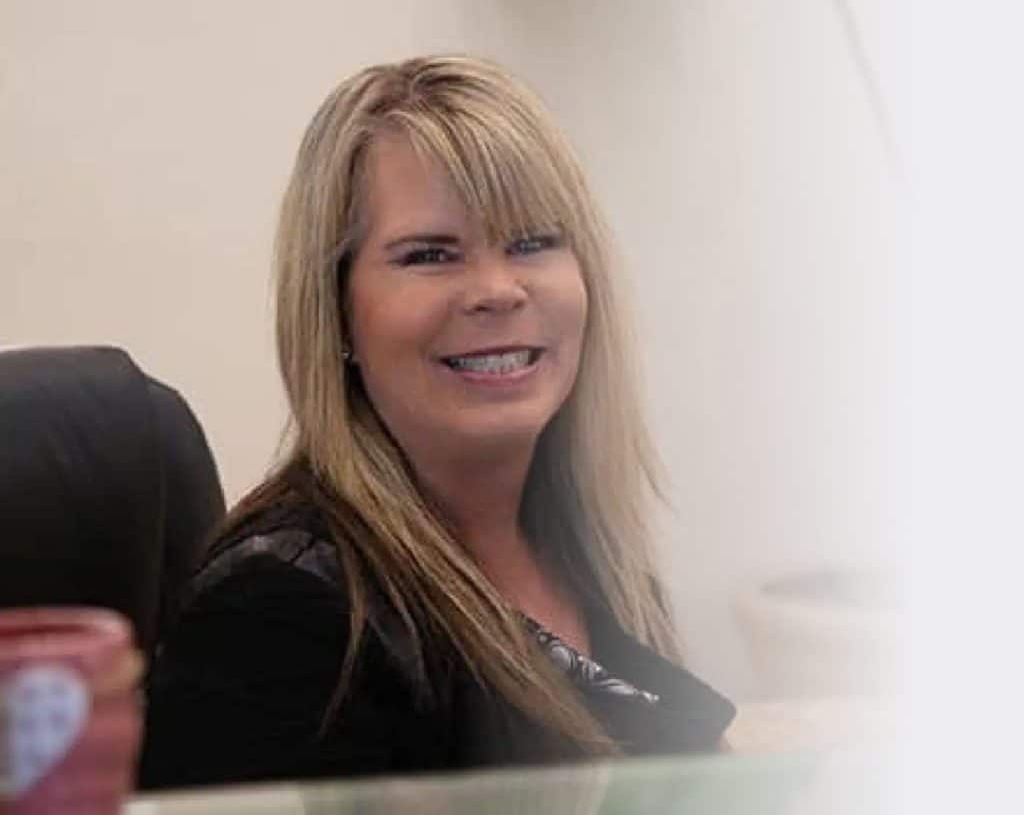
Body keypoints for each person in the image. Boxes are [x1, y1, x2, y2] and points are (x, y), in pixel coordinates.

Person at [139, 55, 735, 790]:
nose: (496, 290)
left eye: (533, 242)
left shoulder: (591, 552)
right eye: (429, 255)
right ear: (338, 314)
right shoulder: (282, 618)